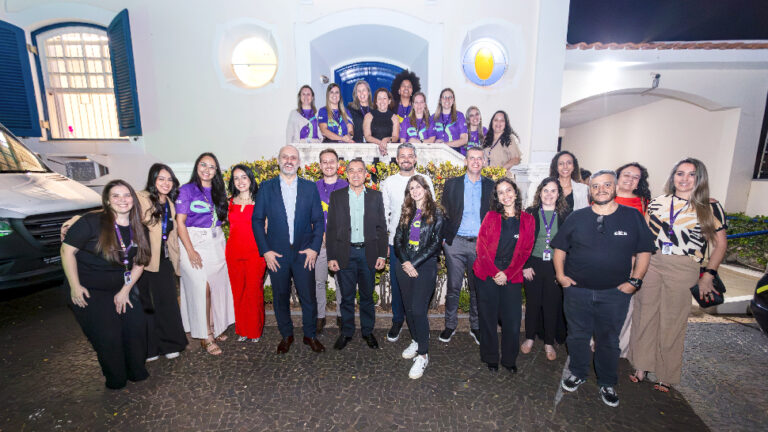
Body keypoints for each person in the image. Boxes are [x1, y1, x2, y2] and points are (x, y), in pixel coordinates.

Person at [552, 170, 654, 408]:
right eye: (595, 186)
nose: (601, 190)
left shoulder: (632, 217)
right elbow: (560, 249)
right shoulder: (577, 217)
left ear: (615, 187)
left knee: (608, 340)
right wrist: (561, 276)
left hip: (615, 294)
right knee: (577, 336)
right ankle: (577, 372)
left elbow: (644, 252)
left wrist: (635, 281)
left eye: (606, 185)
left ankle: (607, 382)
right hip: (578, 292)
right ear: (590, 191)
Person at [628, 158, 727, 393]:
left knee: (673, 320)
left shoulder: (709, 207)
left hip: (684, 266)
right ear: (673, 177)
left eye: (691, 174)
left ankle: (666, 374)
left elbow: (720, 245)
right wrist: (635, 265)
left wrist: (709, 275)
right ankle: (641, 366)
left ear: (699, 179)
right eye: (679, 173)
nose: (684, 179)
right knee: (644, 313)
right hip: (652, 261)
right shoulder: (657, 203)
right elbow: (642, 236)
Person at [61, 179, 151, 389]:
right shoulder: (91, 222)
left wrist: (125, 291)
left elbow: (140, 263)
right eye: (116, 196)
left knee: (136, 326)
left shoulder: (139, 227)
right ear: (108, 201)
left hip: (121, 286)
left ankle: (135, 370)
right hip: (89, 288)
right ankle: (116, 377)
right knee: (108, 334)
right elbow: (67, 251)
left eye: (127, 195)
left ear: (133, 199)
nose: (122, 200)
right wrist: (75, 285)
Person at [252, 145, 326, 354]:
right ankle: (286, 335)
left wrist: (314, 248)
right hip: (277, 255)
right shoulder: (266, 188)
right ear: (278, 160)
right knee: (280, 296)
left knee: (308, 297)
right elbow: (257, 220)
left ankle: (310, 335)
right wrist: (265, 251)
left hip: (304, 254)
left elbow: (318, 221)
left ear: (299, 163)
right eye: (285, 157)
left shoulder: (309, 188)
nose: (289, 160)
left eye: (293, 157)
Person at [176, 153, 235, 356]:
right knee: (203, 288)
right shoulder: (186, 190)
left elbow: (223, 217)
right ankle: (205, 335)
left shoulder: (219, 191)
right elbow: (180, 222)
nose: (207, 169)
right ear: (197, 166)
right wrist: (190, 250)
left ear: (216, 171)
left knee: (216, 287)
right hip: (192, 242)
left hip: (216, 242)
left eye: (212, 166)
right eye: (203, 164)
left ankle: (213, 326)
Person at [473, 178, 534, 372]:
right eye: (501, 192)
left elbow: (526, 251)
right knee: (488, 318)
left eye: (509, 190)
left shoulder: (528, 219)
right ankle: (490, 357)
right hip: (487, 272)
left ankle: (509, 360)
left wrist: (506, 273)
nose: (506, 195)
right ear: (497, 198)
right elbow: (480, 248)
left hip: (512, 275)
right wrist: (495, 273)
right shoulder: (491, 216)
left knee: (512, 321)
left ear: (515, 193)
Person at [326, 159, 388, 350]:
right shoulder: (337, 197)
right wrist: (331, 257)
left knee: (367, 296)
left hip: (368, 254)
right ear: (346, 174)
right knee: (346, 297)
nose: (355, 174)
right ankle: (346, 332)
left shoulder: (375, 197)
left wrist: (381, 255)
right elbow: (332, 229)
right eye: (351, 170)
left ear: (365, 174)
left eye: (359, 171)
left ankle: (368, 332)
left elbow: (381, 227)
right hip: (345, 253)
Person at [439, 147, 494, 345]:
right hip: (456, 243)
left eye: (480, 158)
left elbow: (495, 216)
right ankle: (450, 325)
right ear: (466, 161)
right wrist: (444, 239)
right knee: (453, 287)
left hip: (480, 245)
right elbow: (444, 212)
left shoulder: (491, 186)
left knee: (476, 287)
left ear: (484, 162)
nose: (476, 161)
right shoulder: (452, 184)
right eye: (472, 158)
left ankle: (476, 327)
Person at [381, 143, 435, 343]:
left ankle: (420, 323)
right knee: (398, 286)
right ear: (396, 159)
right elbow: (384, 213)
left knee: (420, 288)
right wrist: (385, 242)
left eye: (409, 155)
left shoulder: (424, 180)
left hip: (421, 248)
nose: (406, 159)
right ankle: (397, 320)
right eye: (402, 155)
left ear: (415, 159)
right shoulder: (389, 182)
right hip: (398, 245)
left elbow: (432, 212)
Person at [394, 175, 445, 379]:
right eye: (411, 188)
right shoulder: (406, 211)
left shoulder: (437, 212)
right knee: (408, 309)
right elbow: (398, 239)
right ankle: (416, 340)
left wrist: (414, 263)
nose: (415, 190)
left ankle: (423, 355)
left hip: (425, 266)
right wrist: (406, 261)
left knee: (418, 310)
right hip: (404, 265)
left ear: (426, 189)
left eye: (418, 187)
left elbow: (435, 244)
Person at [136, 164, 187, 361]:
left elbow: (172, 236)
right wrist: (74, 222)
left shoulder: (172, 204)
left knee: (167, 303)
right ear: (153, 180)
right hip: (143, 261)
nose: (165, 183)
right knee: (146, 305)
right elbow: (113, 211)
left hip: (164, 261)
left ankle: (170, 344)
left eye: (169, 179)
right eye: (161, 179)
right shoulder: (140, 199)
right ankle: (150, 348)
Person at [521, 177, 569, 361]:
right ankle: (529, 338)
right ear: (539, 193)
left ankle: (549, 342)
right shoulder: (530, 213)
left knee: (551, 304)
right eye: (545, 190)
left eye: (553, 191)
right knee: (533, 304)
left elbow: (569, 244)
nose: (549, 194)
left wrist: (562, 271)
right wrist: (525, 265)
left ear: (558, 194)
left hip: (555, 265)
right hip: (532, 264)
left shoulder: (565, 215)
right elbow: (523, 241)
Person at [613, 162, 651, 358]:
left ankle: (620, 346)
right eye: (626, 174)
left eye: (635, 177)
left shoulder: (645, 203)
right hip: (601, 258)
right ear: (617, 176)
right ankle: (594, 341)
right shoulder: (603, 195)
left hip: (630, 260)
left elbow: (644, 237)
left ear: (639, 183)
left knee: (625, 305)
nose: (629, 179)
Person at [226, 165, 267, 342]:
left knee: (253, 291)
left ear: (250, 179)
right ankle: (242, 329)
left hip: (255, 253)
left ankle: (254, 330)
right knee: (238, 291)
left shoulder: (261, 202)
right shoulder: (229, 202)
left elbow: (267, 227)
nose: (240, 181)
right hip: (233, 252)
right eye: (236, 178)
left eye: (244, 177)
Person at [314, 149, 348, 333]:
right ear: (320, 166)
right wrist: (321, 235)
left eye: (332, 161)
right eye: (324, 162)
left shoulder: (346, 186)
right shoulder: (313, 187)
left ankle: (341, 314)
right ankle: (320, 316)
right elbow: (310, 216)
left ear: (338, 164)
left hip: (340, 242)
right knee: (319, 281)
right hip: (320, 242)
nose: (328, 165)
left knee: (341, 280)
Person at [482, 110, 522, 177]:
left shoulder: (509, 139)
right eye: (496, 120)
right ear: (492, 122)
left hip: (502, 178)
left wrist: (502, 170)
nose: (498, 123)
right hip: (487, 178)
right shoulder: (486, 138)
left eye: (502, 120)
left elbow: (516, 159)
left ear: (506, 123)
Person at [549, 150, 589, 215]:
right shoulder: (548, 188)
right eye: (561, 163)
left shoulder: (583, 189)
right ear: (556, 167)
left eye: (569, 163)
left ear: (573, 167)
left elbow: (585, 214)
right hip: (551, 224)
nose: (565, 166)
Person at [363, 87, 399, 156]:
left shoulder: (395, 118)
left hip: (390, 153)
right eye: (379, 98)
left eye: (384, 98)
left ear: (389, 101)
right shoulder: (368, 116)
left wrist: (386, 139)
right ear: (376, 102)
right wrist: (381, 143)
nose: (382, 101)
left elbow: (395, 137)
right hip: (371, 154)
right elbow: (367, 137)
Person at [432, 88, 468, 152]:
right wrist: (434, 143)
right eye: (444, 97)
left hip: (455, 153)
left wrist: (444, 145)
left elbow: (464, 140)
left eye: (450, 97)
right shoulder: (433, 117)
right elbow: (429, 139)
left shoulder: (459, 116)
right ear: (440, 100)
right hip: (437, 153)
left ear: (453, 100)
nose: (447, 99)